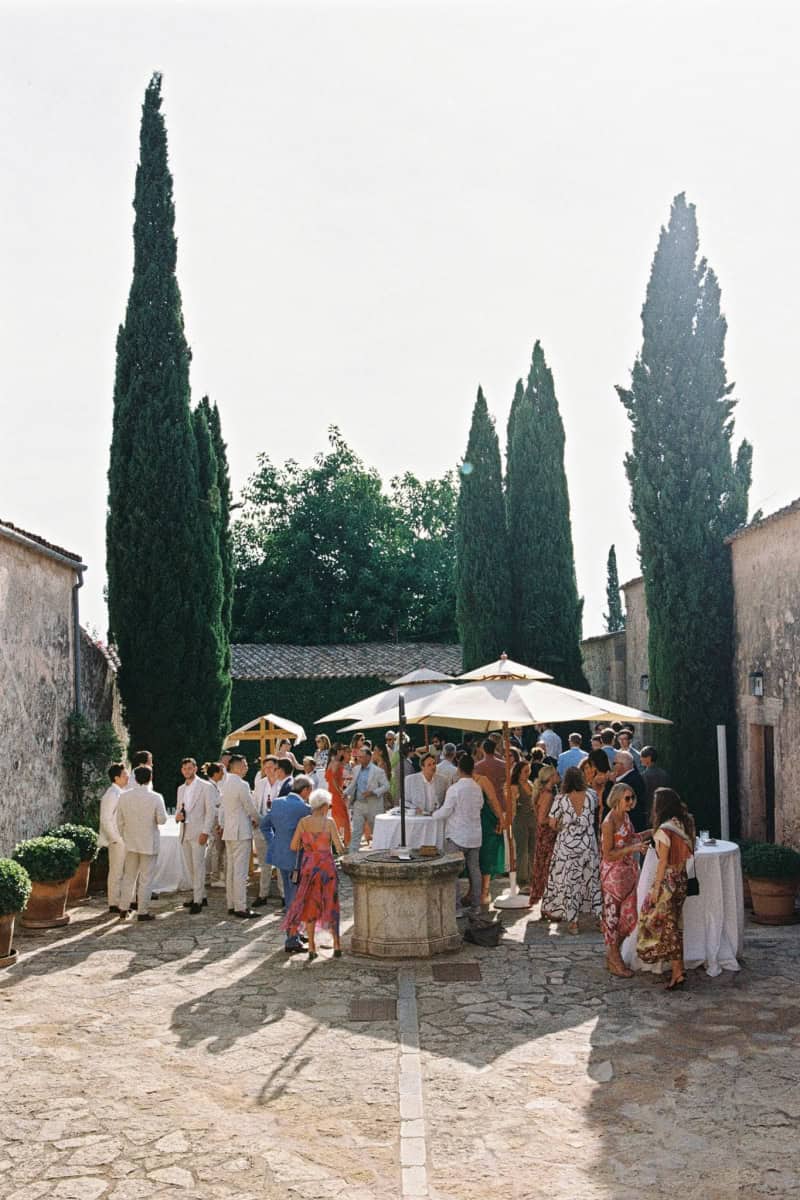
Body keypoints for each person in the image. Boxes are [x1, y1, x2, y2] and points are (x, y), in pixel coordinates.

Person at [636, 787, 696, 990]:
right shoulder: (684, 823)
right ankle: (678, 970)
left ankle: (677, 971)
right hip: (681, 879)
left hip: (668, 882)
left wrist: (654, 890)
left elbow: (662, 862)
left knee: (660, 923)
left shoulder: (664, 830)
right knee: (675, 925)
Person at [540, 766, 602, 934]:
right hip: (588, 843)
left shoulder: (560, 799)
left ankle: (574, 923)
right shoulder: (592, 795)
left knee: (570, 882)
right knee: (593, 881)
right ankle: (601, 919)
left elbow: (552, 823)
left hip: (567, 846)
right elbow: (596, 814)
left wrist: (565, 826)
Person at [284, 788, 345, 960]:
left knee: (310, 906)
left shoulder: (303, 822)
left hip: (309, 868)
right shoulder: (329, 822)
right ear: (324, 805)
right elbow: (340, 848)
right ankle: (337, 945)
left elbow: (293, 846)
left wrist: (308, 846)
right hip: (326, 867)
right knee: (331, 905)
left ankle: (311, 947)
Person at [600, 782, 650, 977]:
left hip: (628, 873)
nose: (631, 802)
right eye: (627, 798)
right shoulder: (609, 822)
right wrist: (633, 849)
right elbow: (608, 854)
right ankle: (614, 958)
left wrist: (652, 831)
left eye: (633, 798)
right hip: (613, 876)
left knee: (629, 917)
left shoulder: (626, 817)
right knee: (612, 919)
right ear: (617, 798)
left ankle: (613, 955)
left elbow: (631, 838)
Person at [262, 774, 313, 953]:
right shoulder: (305, 809)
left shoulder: (277, 803)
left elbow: (264, 825)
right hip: (297, 858)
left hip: (280, 856)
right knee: (295, 898)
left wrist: (274, 842)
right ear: (305, 790)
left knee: (292, 895)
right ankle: (292, 938)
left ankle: (296, 932)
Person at [431, 753, 484, 916]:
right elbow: (480, 806)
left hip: (457, 835)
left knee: (453, 872)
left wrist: (432, 814)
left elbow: (446, 811)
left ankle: (456, 907)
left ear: (459, 769)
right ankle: (477, 905)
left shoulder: (455, 789)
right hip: (474, 835)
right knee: (474, 871)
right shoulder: (477, 788)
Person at [116, 766, 168, 921]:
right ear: (150, 778)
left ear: (135, 778)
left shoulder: (124, 797)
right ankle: (142, 911)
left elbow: (119, 821)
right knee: (146, 879)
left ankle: (124, 908)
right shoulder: (156, 797)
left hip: (131, 842)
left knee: (129, 877)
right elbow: (162, 820)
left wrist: (125, 837)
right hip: (149, 843)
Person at [219, 753, 259, 918]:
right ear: (235, 766)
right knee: (240, 871)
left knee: (231, 870)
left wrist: (222, 825)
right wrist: (259, 820)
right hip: (240, 831)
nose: (246, 767)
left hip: (229, 831)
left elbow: (222, 808)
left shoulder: (225, 783)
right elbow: (249, 807)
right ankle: (241, 907)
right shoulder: (241, 785)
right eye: (244, 764)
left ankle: (231, 904)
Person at [175, 757, 217, 914]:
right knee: (190, 868)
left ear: (196, 768)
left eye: (190, 768)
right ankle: (200, 895)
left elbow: (211, 812)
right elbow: (180, 809)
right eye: (185, 768)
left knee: (198, 867)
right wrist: (178, 817)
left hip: (199, 832)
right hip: (184, 832)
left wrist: (205, 831)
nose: (187, 771)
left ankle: (198, 901)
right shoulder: (180, 789)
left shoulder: (206, 787)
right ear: (182, 770)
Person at [473, 740, 508, 905]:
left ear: (482, 749)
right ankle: (485, 890)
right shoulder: (503, 765)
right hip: (500, 804)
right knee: (491, 847)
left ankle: (482, 890)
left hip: (486, 808)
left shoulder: (478, 767)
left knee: (484, 849)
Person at [527, 765, 559, 912]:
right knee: (547, 867)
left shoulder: (543, 792)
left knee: (543, 866)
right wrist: (557, 819)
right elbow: (542, 819)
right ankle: (547, 903)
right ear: (551, 777)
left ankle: (544, 902)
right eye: (556, 774)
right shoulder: (548, 795)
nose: (559, 776)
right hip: (547, 834)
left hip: (543, 834)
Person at [345, 747, 389, 852]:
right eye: (358, 757)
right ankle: (352, 856)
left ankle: (380, 854)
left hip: (373, 805)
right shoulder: (356, 769)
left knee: (377, 832)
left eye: (361, 757)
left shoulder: (378, 771)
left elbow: (386, 786)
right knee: (356, 832)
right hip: (359, 804)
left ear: (369, 757)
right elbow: (353, 784)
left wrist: (373, 792)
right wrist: (345, 793)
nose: (359, 759)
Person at [98, 762, 128, 913]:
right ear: (116, 778)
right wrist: (115, 838)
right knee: (116, 871)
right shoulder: (111, 794)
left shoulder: (120, 792)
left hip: (124, 838)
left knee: (124, 871)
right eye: (124, 775)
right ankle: (113, 902)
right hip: (117, 840)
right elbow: (105, 819)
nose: (127, 777)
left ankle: (121, 901)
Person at [509, 759, 536, 892]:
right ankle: (522, 880)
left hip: (532, 819)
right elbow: (512, 807)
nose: (528, 774)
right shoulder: (514, 786)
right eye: (525, 771)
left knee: (532, 849)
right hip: (520, 820)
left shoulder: (530, 784)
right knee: (522, 851)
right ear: (518, 772)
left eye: (529, 771)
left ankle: (532, 878)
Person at [202, 761, 226, 888]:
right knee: (216, 848)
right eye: (221, 772)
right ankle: (213, 877)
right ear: (216, 774)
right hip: (215, 819)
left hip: (216, 818)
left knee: (215, 847)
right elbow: (212, 806)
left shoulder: (213, 786)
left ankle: (210, 875)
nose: (223, 774)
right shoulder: (210, 787)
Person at [611, 751, 647, 831]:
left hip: (631, 824)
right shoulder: (633, 777)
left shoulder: (630, 780)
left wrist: (611, 784)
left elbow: (613, 800)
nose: (612, 766)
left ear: (622, 765)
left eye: (614, 763)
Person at [325, 744, 351, 847]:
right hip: (336, 794)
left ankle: (339, 842)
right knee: (342, 817)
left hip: (332, 793)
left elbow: (332, 778)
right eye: (341, 750)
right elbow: (333, 780)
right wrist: (341, 791)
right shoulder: (335, 762)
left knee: (339, 817)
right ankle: (343, 842)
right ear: (338, 751)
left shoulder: (332, 762)